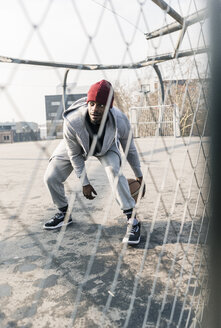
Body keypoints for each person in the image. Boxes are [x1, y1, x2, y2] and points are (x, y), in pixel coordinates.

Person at [43, 80, 145, 245]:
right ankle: (64, 213)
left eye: (100, 105)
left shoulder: (120, 119)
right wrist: (84, 182)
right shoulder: (72, 120)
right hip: (77, 144)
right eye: (91, 104)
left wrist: (139, 175)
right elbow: (74, 154)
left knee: (113, 170)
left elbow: (130, 149)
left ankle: (132, 219)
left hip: (106, 146)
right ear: (87, 102)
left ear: (109, 107)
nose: (95, 109)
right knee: (51, 176)